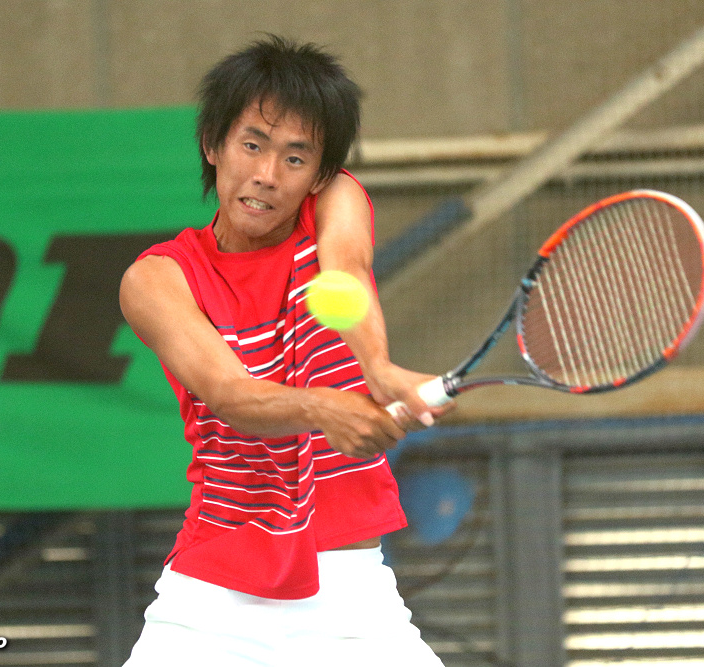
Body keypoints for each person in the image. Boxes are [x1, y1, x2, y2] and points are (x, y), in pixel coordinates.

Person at [119, 34, 453, 666]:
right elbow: (230, 394)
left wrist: (377, 368)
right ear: (212, 145)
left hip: (350, 596)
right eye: (252, 145)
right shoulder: (158, 279)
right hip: (213, 599)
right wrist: (325, 409)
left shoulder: (336, 202)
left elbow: (345, 271)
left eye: (295, 158)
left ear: (320, 175)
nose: (267, 175)